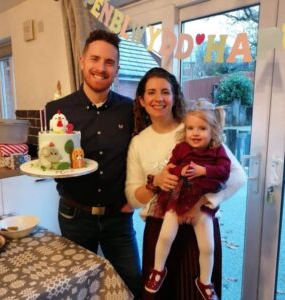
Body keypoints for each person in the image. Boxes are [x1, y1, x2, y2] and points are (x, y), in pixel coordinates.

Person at [125, 67, 247, 300]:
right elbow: (133, 198)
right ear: (141, 100)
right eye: (151, 92)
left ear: (175, 96)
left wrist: (206, 202)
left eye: (165, 92)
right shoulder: (138, 143)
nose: (158, 98)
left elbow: (237, 175)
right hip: (160, 228)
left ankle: (205, 282)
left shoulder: (197, 126)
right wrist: (155, 183)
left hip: (198, 227)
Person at [45, 29, 141, 299]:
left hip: (118, 218)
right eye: (95, 59)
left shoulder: (131, 110)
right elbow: (51, 158)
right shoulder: (56, 110)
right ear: (82, 60)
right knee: (78, 286)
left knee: (132, 281)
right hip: (74, 216)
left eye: (109, 62)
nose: (101, 68)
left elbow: (143, 155)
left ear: (117, 68)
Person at [145, 99, 231, 300]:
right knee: (165, 236)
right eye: (191, 128)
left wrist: (204, 170)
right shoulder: (181, 148)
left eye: (202, 128)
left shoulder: (217, 150)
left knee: (208, 246)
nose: (195, 133)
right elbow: (171, 167)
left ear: (213, 131)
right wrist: (179, 170)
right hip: (177, 198)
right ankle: (158, 270)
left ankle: (205, 280)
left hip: (202, 205)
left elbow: (225, 171)